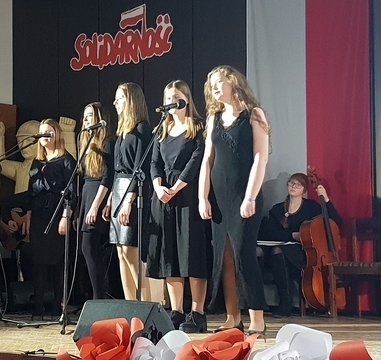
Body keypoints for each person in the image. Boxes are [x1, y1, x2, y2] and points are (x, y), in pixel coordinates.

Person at [198, 65, 270, 335]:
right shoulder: (213, 119)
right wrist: (203, 196)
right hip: (219, 197)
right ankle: (232, 317)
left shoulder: (254, 115)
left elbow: (260, 158)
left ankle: (257, 319)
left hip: (244, 194)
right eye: (212, 84)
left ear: (233, 83)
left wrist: (250, 197)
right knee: (224, 256)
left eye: (219, 82)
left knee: (243, 254)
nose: (215, 88)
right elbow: (207, 160)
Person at [148, 80, 208, 333]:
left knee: (191, 254)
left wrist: (176, 187)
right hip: (164, 197)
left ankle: (197, 312)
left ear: (186, 99)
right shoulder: (161, 130)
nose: (171, 102)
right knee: (170, 256)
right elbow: (154, 163)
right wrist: (159, 187)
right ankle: (177, 311)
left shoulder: (197, 128)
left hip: (188, 195)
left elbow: (196, 161)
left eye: (176, 97)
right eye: (168, 98)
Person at [7, 119, 77, 319]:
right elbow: (31, 191)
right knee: (38, 261)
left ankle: (56, 307)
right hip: (38, 215)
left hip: (57, 213)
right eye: (42, 132)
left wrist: (66, 216)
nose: (45, 136)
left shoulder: (66, 160)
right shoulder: (37, 161)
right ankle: (38, 306)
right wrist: (29, 213)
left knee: (57, 262)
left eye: (49, 132)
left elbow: (72, 192)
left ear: (57, 134)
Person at [258, 173, 341, 317]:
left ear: (304, 190)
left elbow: (334, 221)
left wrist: (326, 199)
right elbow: (269, 233)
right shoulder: (277, 209)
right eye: (291, 183)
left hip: (302, 251)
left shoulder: (311, 207)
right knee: (259, 252)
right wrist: (292, 235)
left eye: (298, 184)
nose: (293, 186)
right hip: (280, 249)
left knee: (278, 251)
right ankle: (256, 303)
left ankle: (285, 304)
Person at [102, 82, 152, 301]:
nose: (115, 103)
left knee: (131, 252)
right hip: (119, 189)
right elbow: (116, 170)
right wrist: (111, 199)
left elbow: (140, 168)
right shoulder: (122, 131)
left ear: (131, 100)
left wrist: (129, 200)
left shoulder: (142, 130)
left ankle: (145, 304)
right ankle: (130, 303)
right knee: (121, 252)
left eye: (119, 98)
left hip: (133, 191)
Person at [77, 102, 114, 300]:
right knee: (88, 249)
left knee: (89, 247)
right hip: (87, 193)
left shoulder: (107, 142)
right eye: (84, 116)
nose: (85, 120)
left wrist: (95, 206)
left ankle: (99, 297)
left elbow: (108, 176)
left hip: (98, 194)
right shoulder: (85, 142)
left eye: (90, 115)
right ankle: (98, 295)